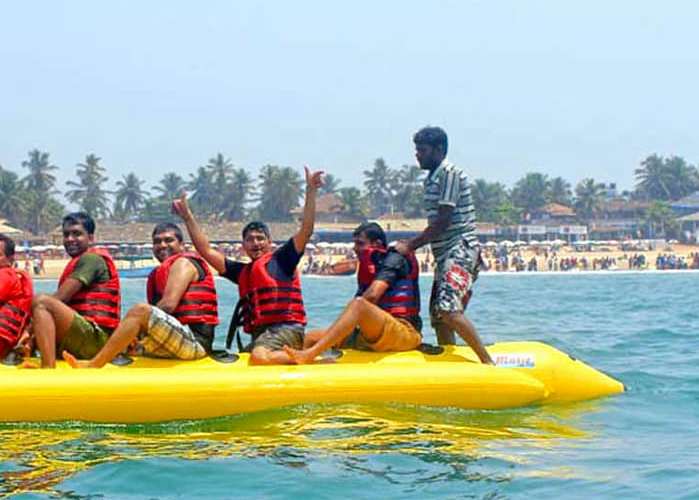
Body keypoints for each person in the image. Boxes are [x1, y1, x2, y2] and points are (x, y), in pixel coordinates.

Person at [178, 167, 325, 365]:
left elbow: (306, 230)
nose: (255, 243)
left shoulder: (282, 260)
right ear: (243, 246)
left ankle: (315, 362)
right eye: (250, 240)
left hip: (285, 329)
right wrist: (187, 217)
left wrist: (311, 191)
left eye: (260, 238)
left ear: (269, 242)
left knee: (258, 358)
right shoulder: (242, 273)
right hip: (263, 335)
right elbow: (206, 250)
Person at [391, 126, 493, 365]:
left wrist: (410, 245)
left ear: (439, 149)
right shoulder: (432, 178)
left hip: (461, 249)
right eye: (416, 150)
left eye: (422, 150)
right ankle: (450, 360)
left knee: (448, 309)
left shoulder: (450, 173)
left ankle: (487, 362)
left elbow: (444, 220)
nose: (417, 155)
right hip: (444, 254)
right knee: (439, 317)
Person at [68, 222, 219, 367]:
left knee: (140, 311)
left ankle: (94, 364)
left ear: (182, 245)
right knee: (125, 343)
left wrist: (136, 333)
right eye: (157, 242)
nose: (162, 245)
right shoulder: (157, 275)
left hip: (195, 342)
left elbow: (168, 305)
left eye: (169, 240)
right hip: (173, 340)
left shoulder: (183, 263)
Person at [287, 222, 423, 363]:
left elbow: (371, 297)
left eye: (360, 243)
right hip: (370, 334)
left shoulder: (395, 259)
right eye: (355, 243)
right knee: (310, 338)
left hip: (404, 332)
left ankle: (310, 354)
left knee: (358, 305)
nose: (355, 248)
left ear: (377, 243)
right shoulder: (369, 267)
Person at [30, 212, 121, 368]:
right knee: (42, 307)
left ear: (91, 238)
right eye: (66, 235)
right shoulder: (79, 262)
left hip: (97, 340)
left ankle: (48, 369)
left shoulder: (92, 259)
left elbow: (61, 298)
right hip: (83, 339)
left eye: (77, 234)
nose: (70, 239)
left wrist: (28, 329)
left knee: (42, 302)